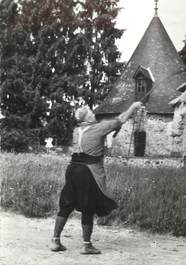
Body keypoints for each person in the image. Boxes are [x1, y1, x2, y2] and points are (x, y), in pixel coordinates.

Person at [50, 101, 143, 254]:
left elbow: (95, 140)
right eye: (91, 113)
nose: (94, 115)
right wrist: (133, 107)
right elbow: (121, 118)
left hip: (72, 169)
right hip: (88, 172)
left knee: (66, 205)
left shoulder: (77, 131)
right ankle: (86, 246)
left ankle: (55, 241)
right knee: (88, 207)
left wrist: (112, 130)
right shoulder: (98, 128)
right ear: (87, 118)